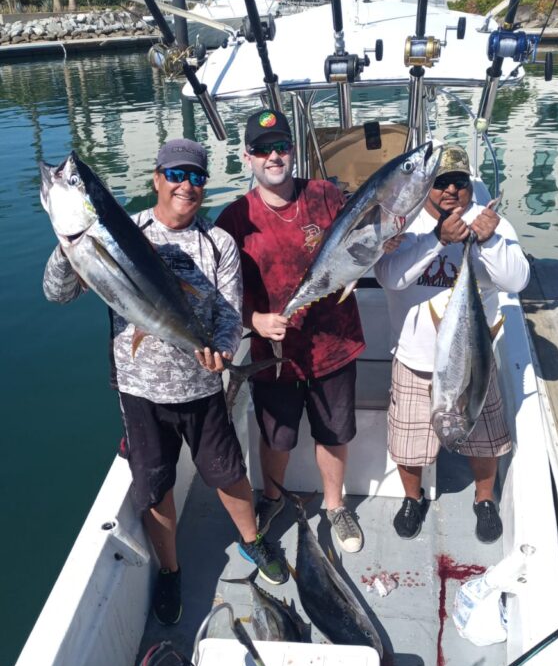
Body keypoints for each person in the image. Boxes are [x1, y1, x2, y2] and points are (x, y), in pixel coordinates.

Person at [43, 138, 288, 626]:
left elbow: (226, 311)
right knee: (154, 488)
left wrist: (220, 351)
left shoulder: (216, 243)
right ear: (156, 178)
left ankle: (252, 541)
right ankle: (172, 571)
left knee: (228, 473)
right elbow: (57, 294)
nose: (186, 186)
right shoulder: (121, 230)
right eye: (176, 175)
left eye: (196, 177)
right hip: (140, 391)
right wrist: (69, 246)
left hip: (201, 389)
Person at [215, 109, 366, 554]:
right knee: (276, 436)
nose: (273, 156)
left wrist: (383, 243)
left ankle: (335, 506)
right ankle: (274, 497)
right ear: (247, 157)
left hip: (333, 344)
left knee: (334, 432)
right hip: (273, 353)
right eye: (263, 149)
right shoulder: (234, 218)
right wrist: (254, 320)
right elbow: (221, 293)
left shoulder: (325, 195)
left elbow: (360, 243)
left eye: (281, 146)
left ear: (293, 151)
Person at [374, 144, 530, 544]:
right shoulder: (401, 224)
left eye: (458, 183)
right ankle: (413, 498)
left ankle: (484, 499)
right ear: (426, 184)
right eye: (440, 182)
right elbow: (390, 277)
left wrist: (491, 241)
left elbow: (517, 282)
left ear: (467, 187)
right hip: (414, 358)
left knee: (486, 438)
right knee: (408, 443)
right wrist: (437, 241)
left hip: (475, 358)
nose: (450, 191)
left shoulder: (491, 222)